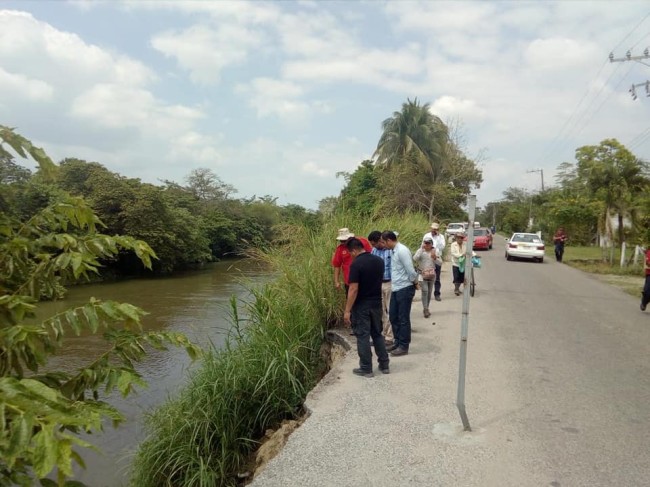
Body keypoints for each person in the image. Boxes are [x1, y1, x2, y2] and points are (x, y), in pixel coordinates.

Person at [343, 238, 390, 377]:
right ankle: (384, 364)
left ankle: (366, 367)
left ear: (354, 250)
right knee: (377, 333)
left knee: (362, 336)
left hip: (361, 305)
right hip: (376, 303)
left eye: (351, 252)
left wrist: (347, 310)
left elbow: (353, 289)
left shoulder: (356, 264)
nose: (351, 255)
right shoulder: (379, 261)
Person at [381, 231, 418, 357]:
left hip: (404, 288)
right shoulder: (393, 251)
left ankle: (404, 345)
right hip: (396, 288)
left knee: (403, 318)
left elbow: (410, 270)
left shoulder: (402, 251)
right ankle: (397, 341)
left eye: (384, 242)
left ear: (389, 240)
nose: (383, 245)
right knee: (393, 316)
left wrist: (415, 282)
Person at [367, 230, 393, 346]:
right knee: (381, 311)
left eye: (373, 243)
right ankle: (382, 334)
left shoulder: (390, 251)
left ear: (379, 241)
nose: (372, 246)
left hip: (390, 283)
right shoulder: (373, 251)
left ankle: (390, 336)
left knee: (390, 310)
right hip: (378, 284)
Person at [331, 228, 372, 294]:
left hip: (365, 278)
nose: (343, 243)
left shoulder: (362, 242)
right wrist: (336, 281)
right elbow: (337, 265)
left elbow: (371, 255)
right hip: (349, 280)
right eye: (341, 241)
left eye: (344, 241)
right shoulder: (340, 249)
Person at [414, 237, 437, 317]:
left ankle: (427, 307)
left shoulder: (434, 251)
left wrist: (435, 257)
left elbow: (440, 263)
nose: (427, 245)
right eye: (425, 243)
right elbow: (415, 258)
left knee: (429, 292)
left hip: (431, 275)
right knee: (425, 291)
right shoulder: (420, 251)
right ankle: (425, 309)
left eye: (428, 243)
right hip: (422, 274)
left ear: (431, 244)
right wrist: (421, 250)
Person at [422, 222, 445, 301]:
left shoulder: (441, 237)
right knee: (426, 276)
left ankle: (437, 294)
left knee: (437, 278)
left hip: (436, 258)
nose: (433, 230)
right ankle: (426, 294)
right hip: (427, 258)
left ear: (437, 230)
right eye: (432, 229)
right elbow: (422, 246)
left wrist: (438, 238)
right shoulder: (427, 235)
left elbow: (442, 247)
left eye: (435, 229)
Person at [641, 245, 650, 312]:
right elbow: (647, 264)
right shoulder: (649, 253)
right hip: (649, 274)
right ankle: (644, 303)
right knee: (647, 292)